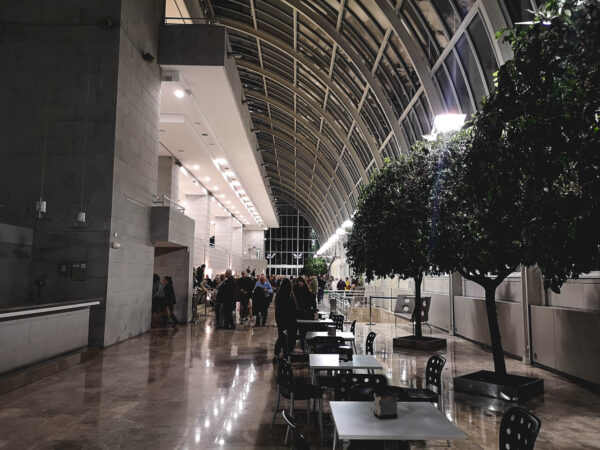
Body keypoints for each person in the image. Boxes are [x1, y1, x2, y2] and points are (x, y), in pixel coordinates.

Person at [274, 278, 298, 357]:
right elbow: (293, 309)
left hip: (280, 319)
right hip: (289, 320)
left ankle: (276, 355)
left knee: (281, 337)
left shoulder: (278, 295)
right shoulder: (290, 296)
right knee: (287, 338)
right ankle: (285, 354)